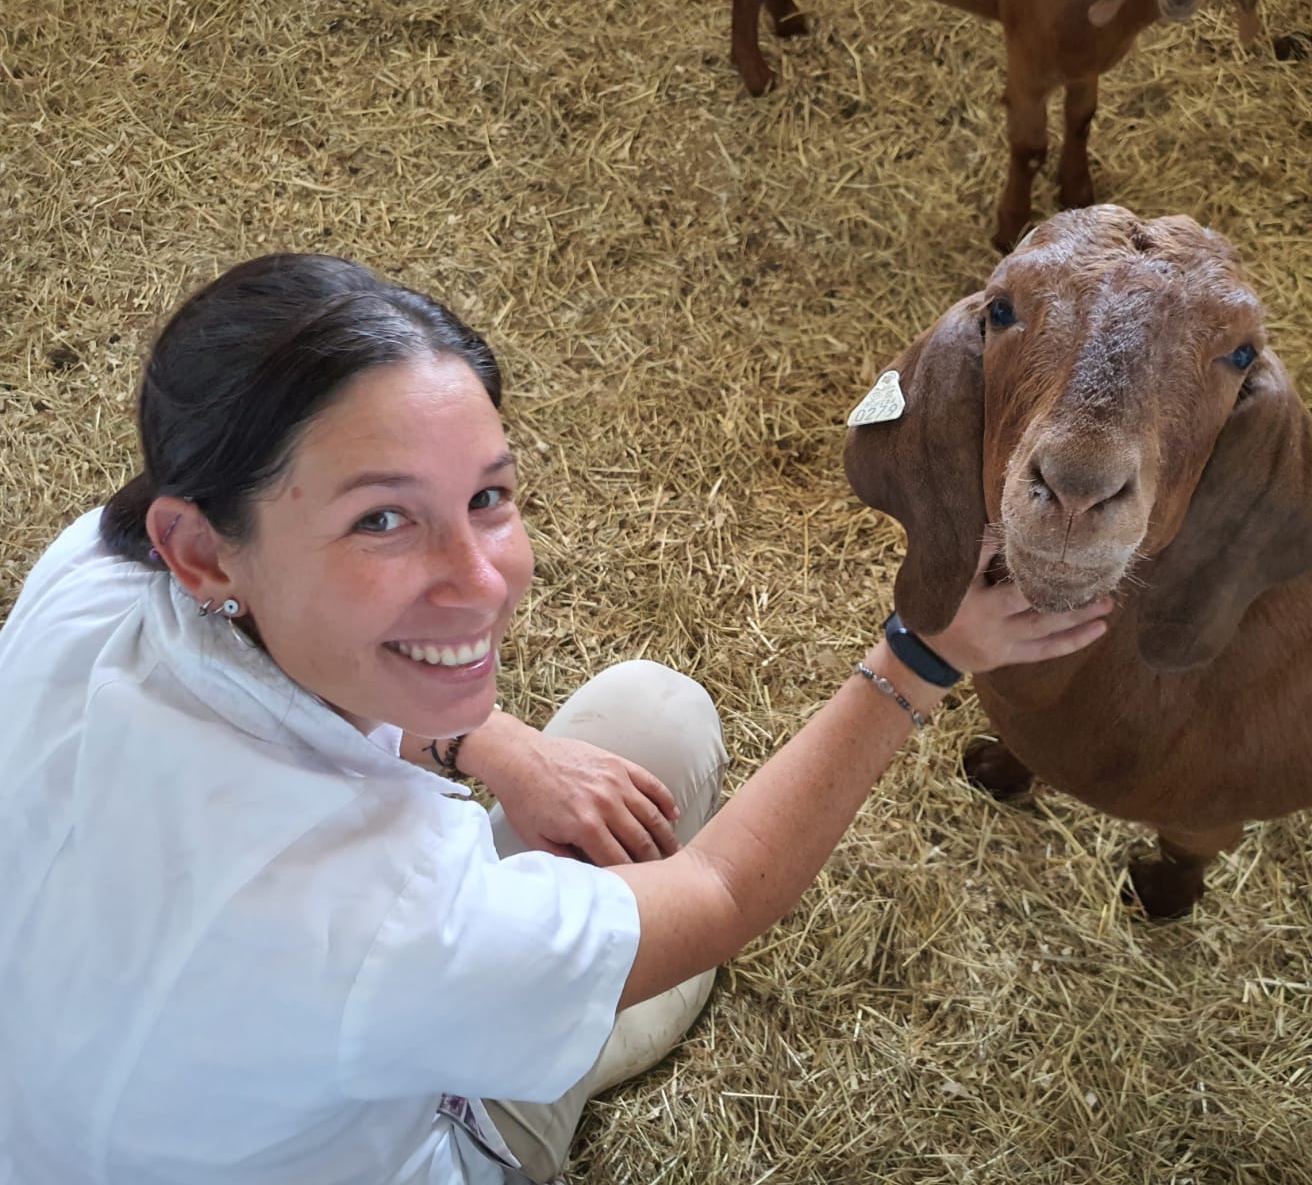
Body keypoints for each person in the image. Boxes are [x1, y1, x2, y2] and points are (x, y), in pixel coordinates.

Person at [0, 253, 1111, 1185]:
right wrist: (920, 658)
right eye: (382, 517)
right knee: (659, 727)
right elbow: (723, 894)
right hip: (389, 1098)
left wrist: (492, 742)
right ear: (204, 550)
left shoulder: (92, 576)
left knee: (619, 736)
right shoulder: (381, 921)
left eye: (489, 496)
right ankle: (563, 1034)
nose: (482, 583)